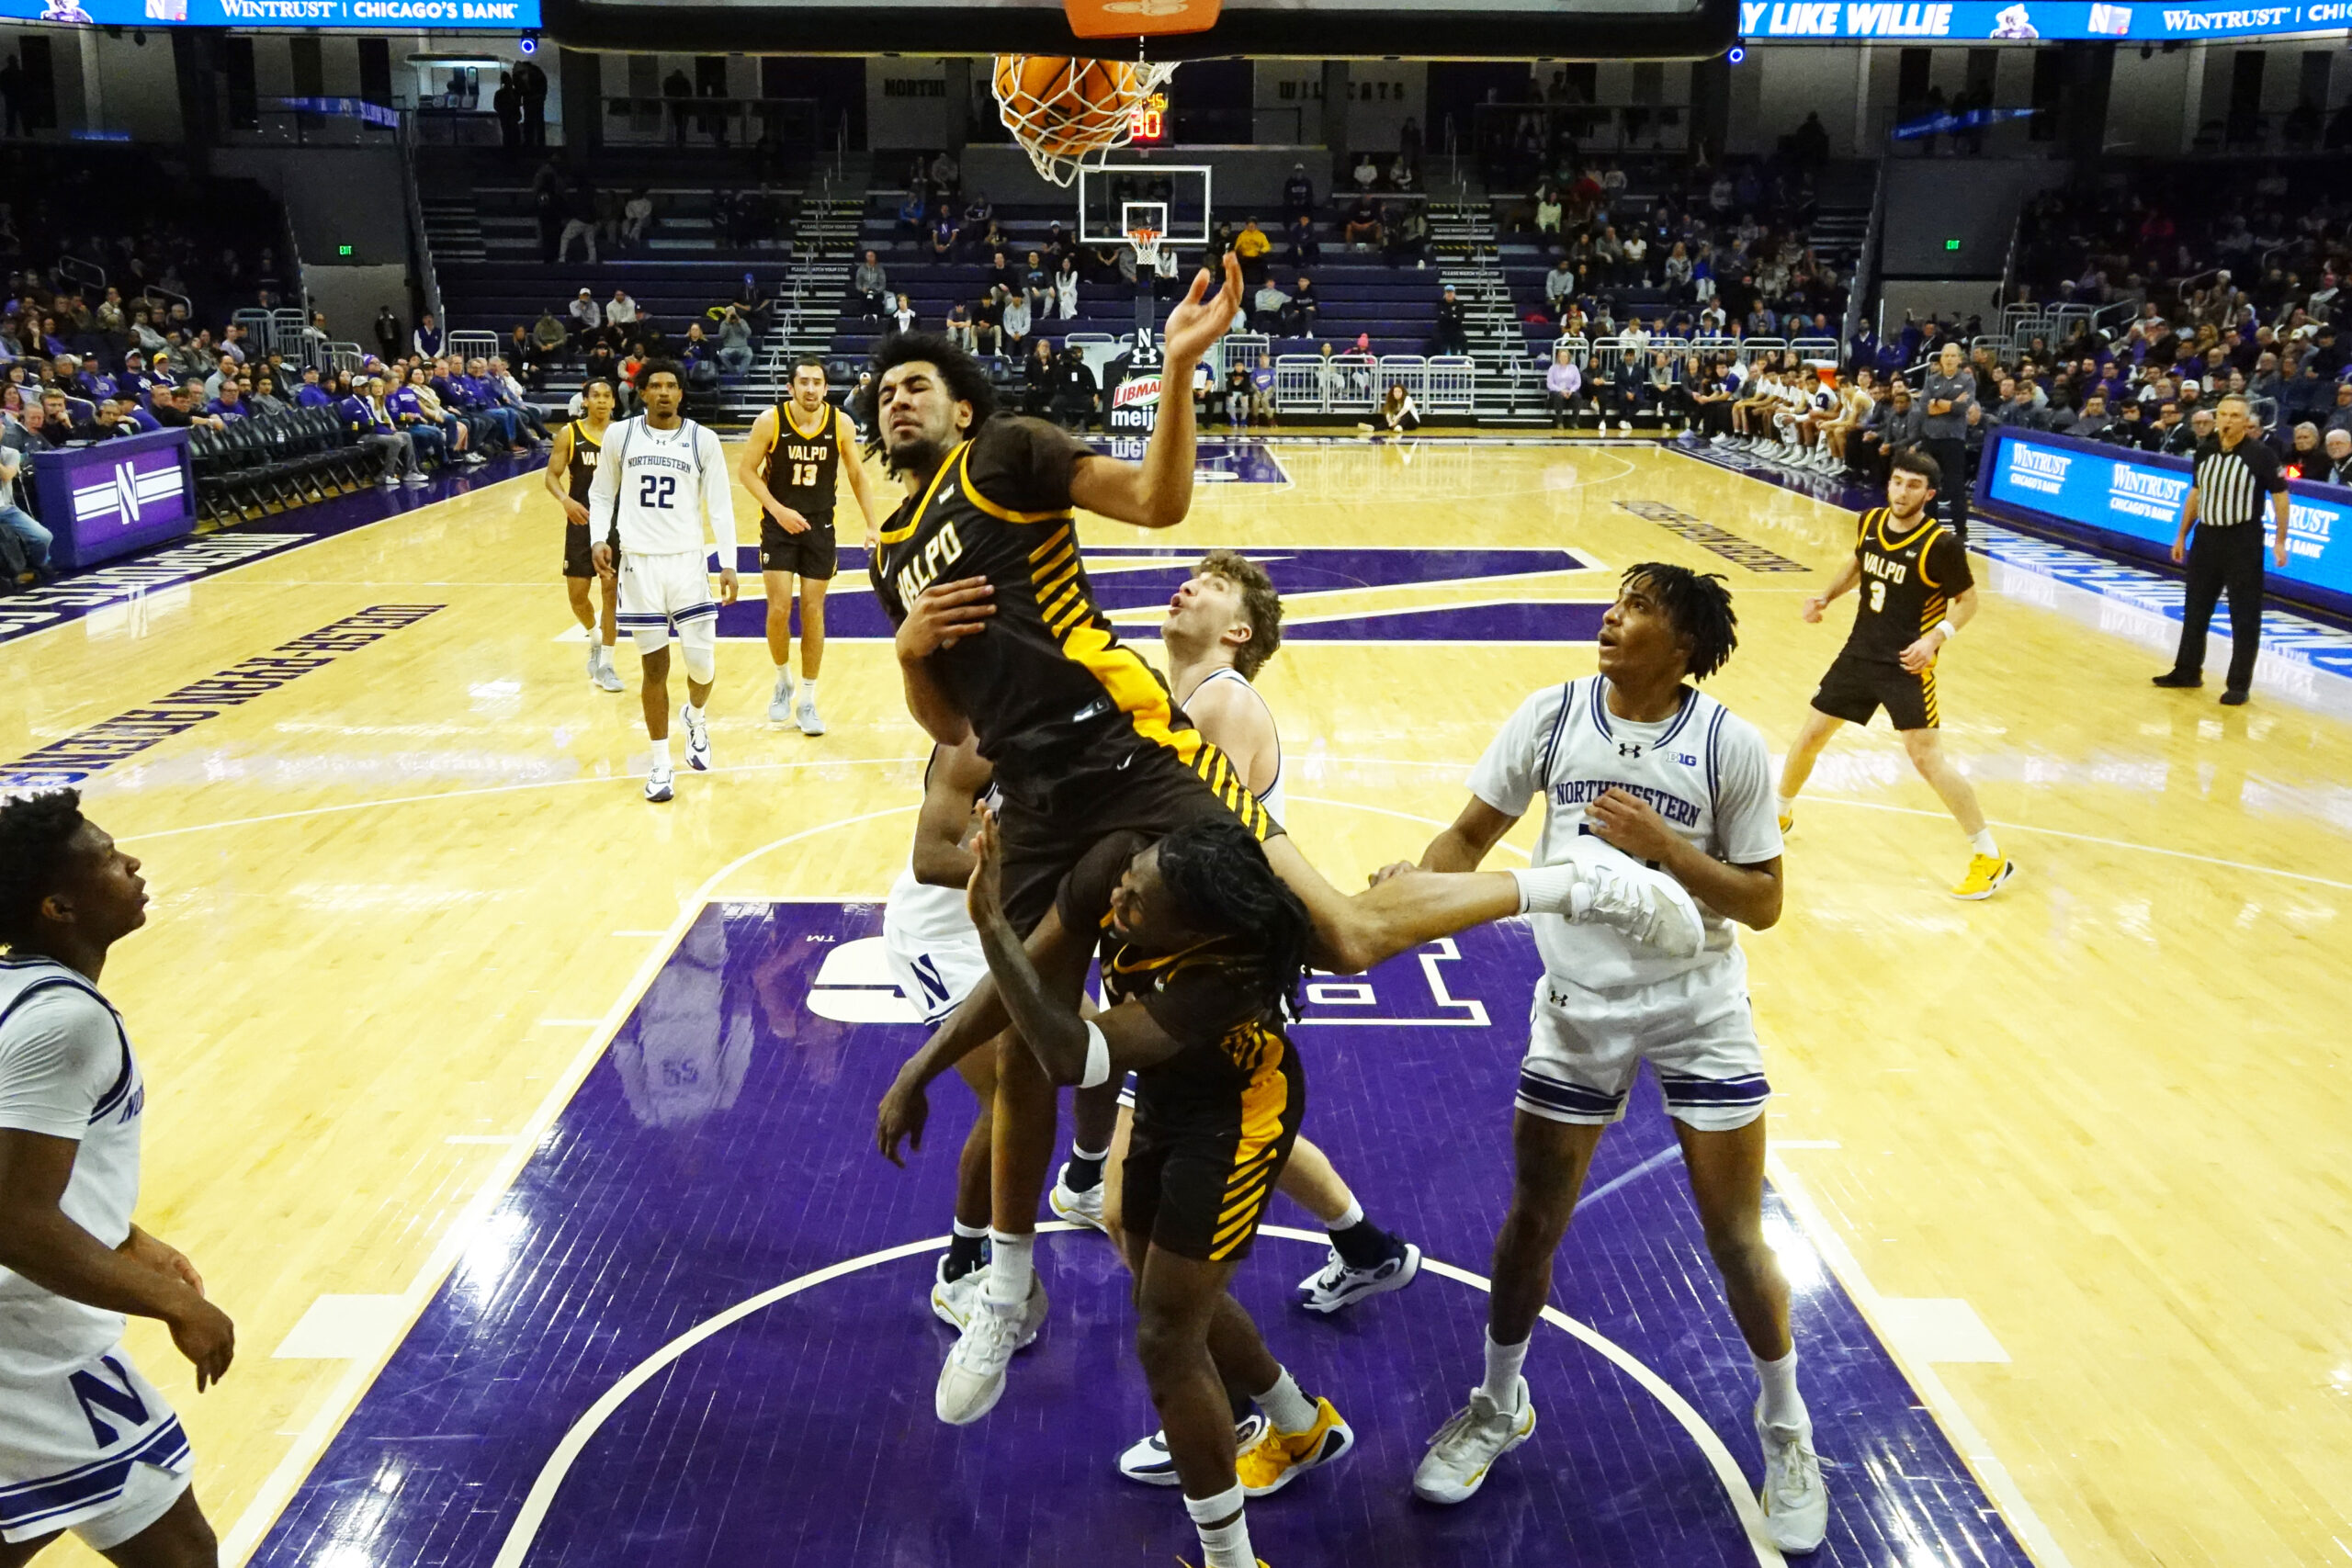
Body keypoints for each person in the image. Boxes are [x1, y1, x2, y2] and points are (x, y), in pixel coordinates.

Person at [864, 271, 1704, 1430]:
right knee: (1023, 1043)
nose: (895, 398)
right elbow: (951, 729)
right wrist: (908, 652)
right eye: (883, 390)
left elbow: (1158, 505)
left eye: (917, 383)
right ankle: (1005, 1289)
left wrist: (1175, 367)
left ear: (961, 408)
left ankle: (1571, 879)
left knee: (1346, 934)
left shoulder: (1004, 454)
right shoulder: (888, 551)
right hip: (1039, 785)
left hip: (1129, 748)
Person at [1396, 565, 1825, 1555]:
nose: (1609, 615)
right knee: (1530, 1223)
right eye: (1614, 601)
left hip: (1697, 1007)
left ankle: (1787, 1431)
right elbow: (1468, 835)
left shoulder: (1728, 745)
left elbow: (1761, 903)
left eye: (1635, 608)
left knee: (1735, 1237)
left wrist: (1670, 848)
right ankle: (1499, 1406)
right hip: (1579, 1008)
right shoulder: (1551, 714)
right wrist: (1407, 899)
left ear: (1681, 645)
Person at [956, 812, 1351, 1568]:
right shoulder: (1124, 865)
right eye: (1134, 872)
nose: (1125, 891)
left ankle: (1231, 1559)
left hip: (1240, 1118)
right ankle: (1299, 1422)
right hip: (1172, 1095)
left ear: (1192, 928)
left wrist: (992, 926)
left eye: (1142, 900)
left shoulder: (1222, 980)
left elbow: (1073, 1055)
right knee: (1157, 1285)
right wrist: (919, 1070)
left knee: (1165, 1334)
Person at [0, 791, 237, 1566]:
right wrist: (173, 1303)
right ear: (57, 905)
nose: (130, 862)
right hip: (31, 1342)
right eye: (105, 857)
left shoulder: (16, 994)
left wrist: (130, 1239)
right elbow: (14, 1217)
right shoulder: (66, 1022)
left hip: (31, 1330)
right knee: (180, 1550)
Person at [1777, 451, 2013, 898]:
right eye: (1897, 482)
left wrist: (1935, 639)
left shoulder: (1941, 544)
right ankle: (1780, 813)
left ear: (1929, 494)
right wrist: (1826, 596)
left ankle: (1989, 856)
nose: (1901, 492)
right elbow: (1860, 563)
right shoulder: (1869, 522)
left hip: (1907, 662)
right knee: (1811, 735)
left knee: (1926, 758)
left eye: (1912, 486)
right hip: (1859, 653)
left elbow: (1968, 602)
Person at [586, 361, 741, 804]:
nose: (664, 393)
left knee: (701, 667)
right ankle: (659, 764)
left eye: (672, 386)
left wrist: (727, 561)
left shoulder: (703, 440)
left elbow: (720, 505)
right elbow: (601, 493)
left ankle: (695, 716)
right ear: (641, 393)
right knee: (654, 669)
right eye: (655, 386)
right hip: (639, 566)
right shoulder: (621, 435)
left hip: (688, 564)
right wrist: (600, 537)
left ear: (681, 393)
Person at [739, 358, 880, 735]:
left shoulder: (840, 424)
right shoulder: (771, 421)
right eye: (804, 382)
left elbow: (856, 473)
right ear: (791, 388)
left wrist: (871, 524)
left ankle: (808, 699)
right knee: (779, 608)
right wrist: (778, 509)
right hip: (778, 524)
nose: (811, 389)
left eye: (817, 382)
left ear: (826, 387)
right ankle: (782, 680)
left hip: (821, 525)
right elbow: (746, 471)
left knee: (814, 611)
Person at [2152, 392, 2292, 706]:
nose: (2227, 421)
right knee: (2195, 609)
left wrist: (2280, 540)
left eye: (2234, 416)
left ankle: (2238, 684)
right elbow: (2196, 494)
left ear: (2246, 422)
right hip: (2207, 538)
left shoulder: (2262, 455)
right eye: (2223, 415)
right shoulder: (2204, 452)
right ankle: (2187, 671)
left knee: (2244, 615)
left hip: (2243, 540)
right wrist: (2181, 536)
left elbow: (2281, 498)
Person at [547, 378, 625, 694]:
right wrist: (565, 500)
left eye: (608, 396)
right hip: (582, 521)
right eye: (597, 396)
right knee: (578, 595)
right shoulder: (570, 433)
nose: (603, 401)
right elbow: (551, 474)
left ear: (614, 403)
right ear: (585, 401)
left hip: (616, 525)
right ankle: (594, 637)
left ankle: (607, 663)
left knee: (609, 592)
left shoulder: (624, 434)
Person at [1917, 342, 1976, 544]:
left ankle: (1960, 529)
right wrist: (1949, 403)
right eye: (1946, 356)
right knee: (1929, 485)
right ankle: (1930, 526)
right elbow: (1924, 408)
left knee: (1954, 486)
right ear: (1941, 359)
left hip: (1953, 440)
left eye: (1953, 356)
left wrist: (1938, 402)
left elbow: (1962, 409)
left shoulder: (1968, 381)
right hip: (1930, 439)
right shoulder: (1931, 380)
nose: (1949, 359)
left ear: (1960, 359)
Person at [1545, 347, 1584, 430]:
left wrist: (1571, 391)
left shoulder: (1574, 368)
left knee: (1578, 397)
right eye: (1561, 356)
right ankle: (1559, 422)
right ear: (1558, 357)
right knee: (1558, 396)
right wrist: (1561, 390)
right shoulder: (1553, 368)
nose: (1563, 358)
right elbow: (1550, 384)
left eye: (1565, 357)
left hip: (1570, 390)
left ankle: (1574, 422)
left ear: (1568, 358)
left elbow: (1578, 383)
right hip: (1556, 391)